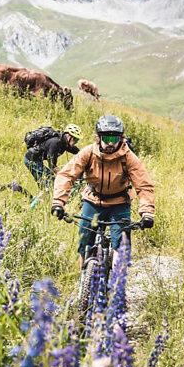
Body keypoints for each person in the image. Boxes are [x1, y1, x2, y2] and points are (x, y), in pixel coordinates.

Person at [50, 114, 155, 269]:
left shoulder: (128, 157)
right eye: (107, 138)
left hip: (119, 203)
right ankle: (83, 280)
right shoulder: (88, 153)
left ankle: (117, 285)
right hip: (93, 201)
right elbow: (67, 174)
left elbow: (143, 184)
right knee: (84, 241)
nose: (110, 143)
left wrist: (147, 212)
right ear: (98, 138)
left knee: (121, 247)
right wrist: (58, 202)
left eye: (115, 139)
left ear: (122, 138)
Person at [24, 123, 82, 190]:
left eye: (77, 140)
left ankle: (45, 195)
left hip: (37, 160)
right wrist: (64, 176)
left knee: (51, 181)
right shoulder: (55, 143)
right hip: (31, 160)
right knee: (49, 183)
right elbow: (52, 165)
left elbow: (79, 152)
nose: (76, 142)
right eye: (75, 140)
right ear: (69, 136)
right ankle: (41, 197)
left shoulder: (65, 144)